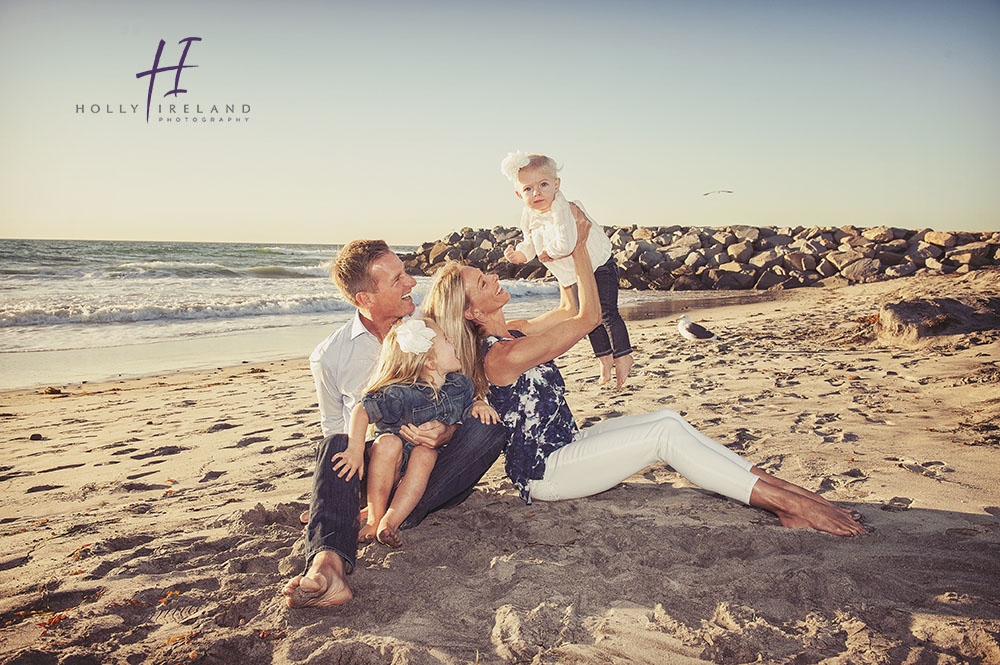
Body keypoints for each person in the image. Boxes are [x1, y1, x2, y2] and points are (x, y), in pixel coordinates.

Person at [424, 210, 866, 537]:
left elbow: (567, 307)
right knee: (663, 440)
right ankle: (785, 505)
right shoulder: (501, 357)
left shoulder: (516, 331)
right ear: (471, 311)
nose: (494, 276)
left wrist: (558, 253)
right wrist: (579, 247)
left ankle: (791, 494)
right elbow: (589, 317)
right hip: (546, 473)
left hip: (567, 444)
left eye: (485, 272)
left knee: (668, 419)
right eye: (483, 282)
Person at [282, 240, 507, 608]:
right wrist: (343, 482)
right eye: (398, 279)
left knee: (490, 430)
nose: (412, 283)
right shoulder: (330, 356)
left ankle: (379, 516)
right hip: (376, 463)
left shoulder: (431, 328)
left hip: (435, 464)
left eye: (406, 273)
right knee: (335, 445)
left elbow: (463, 392)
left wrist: (445, 432)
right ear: (365, 299)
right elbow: (334, 429)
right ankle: (328, 563)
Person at [333, 317, 498, 549]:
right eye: (445, 338)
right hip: (388, 468)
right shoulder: (401, 393)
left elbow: (465, 410)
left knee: (425, 453)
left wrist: (478, 404)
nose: (452, 339)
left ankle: (390, 522)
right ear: (430, 363)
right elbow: (361, 410)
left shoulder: (460, 386)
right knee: (389, 442)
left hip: (424, 473)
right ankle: (373, 518)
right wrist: (355, 449)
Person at [500, 151, 633, 388]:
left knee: (605, 313)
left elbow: (569, 241)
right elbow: (528, 242)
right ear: (519, 194)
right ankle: (604, 358)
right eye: (528, 189)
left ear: (556, 185)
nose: (537, 193)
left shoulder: (562, 208)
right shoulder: (529, 215)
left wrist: (550, 251)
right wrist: (520, 255)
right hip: (575, 273)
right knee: (588, 318)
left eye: (543, 185)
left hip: (599, 265)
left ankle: (623, 355)